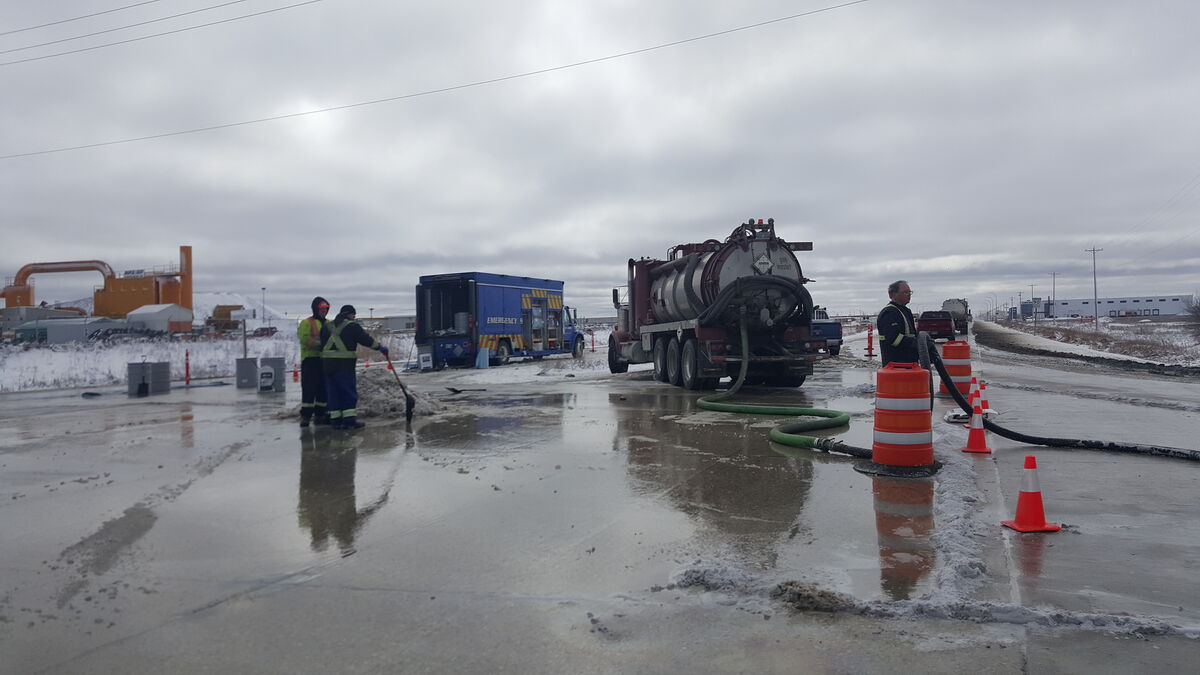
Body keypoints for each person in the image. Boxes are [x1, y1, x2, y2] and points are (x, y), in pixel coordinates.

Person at [320, 305, 388, 430]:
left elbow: (321, 344)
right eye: (354, 315)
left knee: (333, 393)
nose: (354, 318)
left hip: (328, 366)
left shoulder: (326, 326)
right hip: (344, 365)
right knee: (348, 392)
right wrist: (379, 347)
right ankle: (349, 421)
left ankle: (336, 421)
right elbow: (365, 340)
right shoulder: (352, 326)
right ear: (349, 314)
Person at [298, 296, 331, 427]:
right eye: (321, 308)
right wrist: (322, 344)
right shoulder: (307, 323)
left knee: (323, 389)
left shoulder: (329, 324)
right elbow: (305, 339)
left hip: (324, 360)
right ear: (315, 309)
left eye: (326, 308)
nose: (324, 311)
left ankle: (320, 414)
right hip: (310, 360)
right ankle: (306, 416)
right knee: (309, 389)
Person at [877, 280, 919, 366]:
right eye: (905, 292)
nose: (909, 295)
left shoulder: (905, 311)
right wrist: (916, 343)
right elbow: (894, 338)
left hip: (909, 363)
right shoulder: (889, 313)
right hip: (896, 365)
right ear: (893, 295)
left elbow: (912, 334)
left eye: (910, 292)